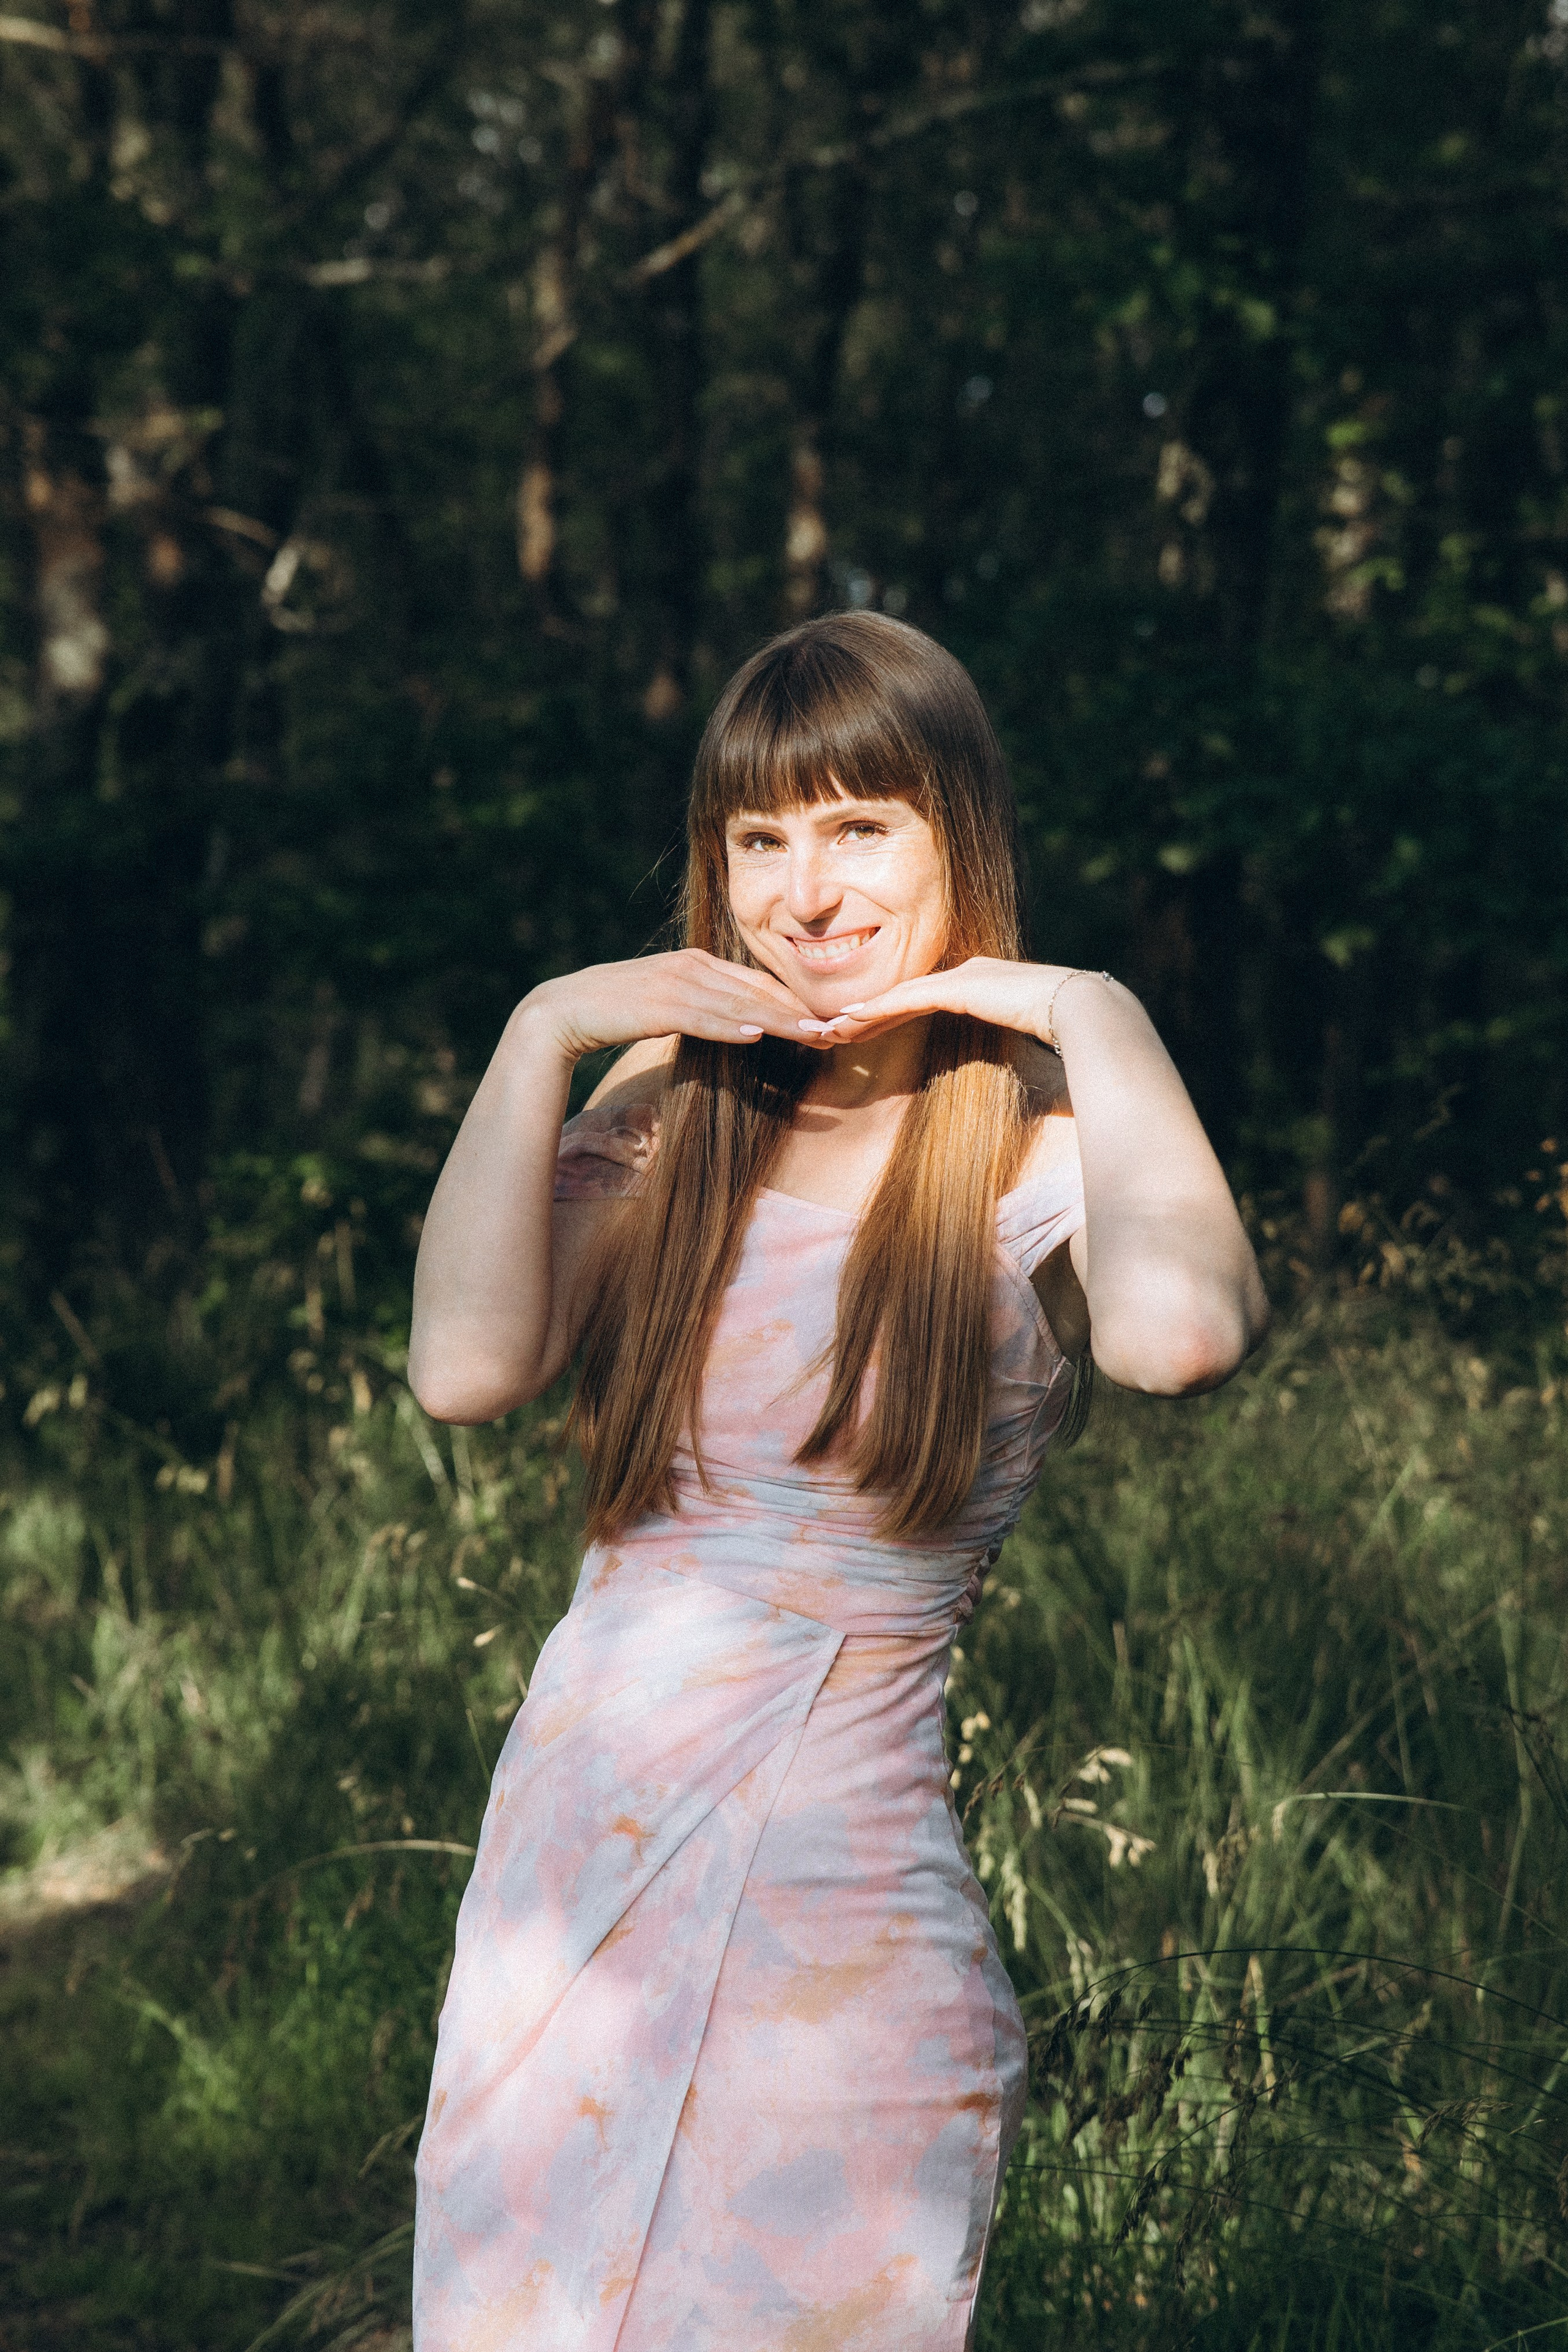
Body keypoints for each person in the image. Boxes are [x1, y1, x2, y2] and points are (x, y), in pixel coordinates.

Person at [406, 611, 1267, 2350]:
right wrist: (538, 1035)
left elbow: (1180, 1337)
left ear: (960, 831)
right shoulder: (671, 1100)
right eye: (761, 840)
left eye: (862, 827)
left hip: (838, 1924)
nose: (807, 890)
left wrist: (1088, 1011)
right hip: (570, 1876)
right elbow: (468, 1371)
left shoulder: (1037, 1137)